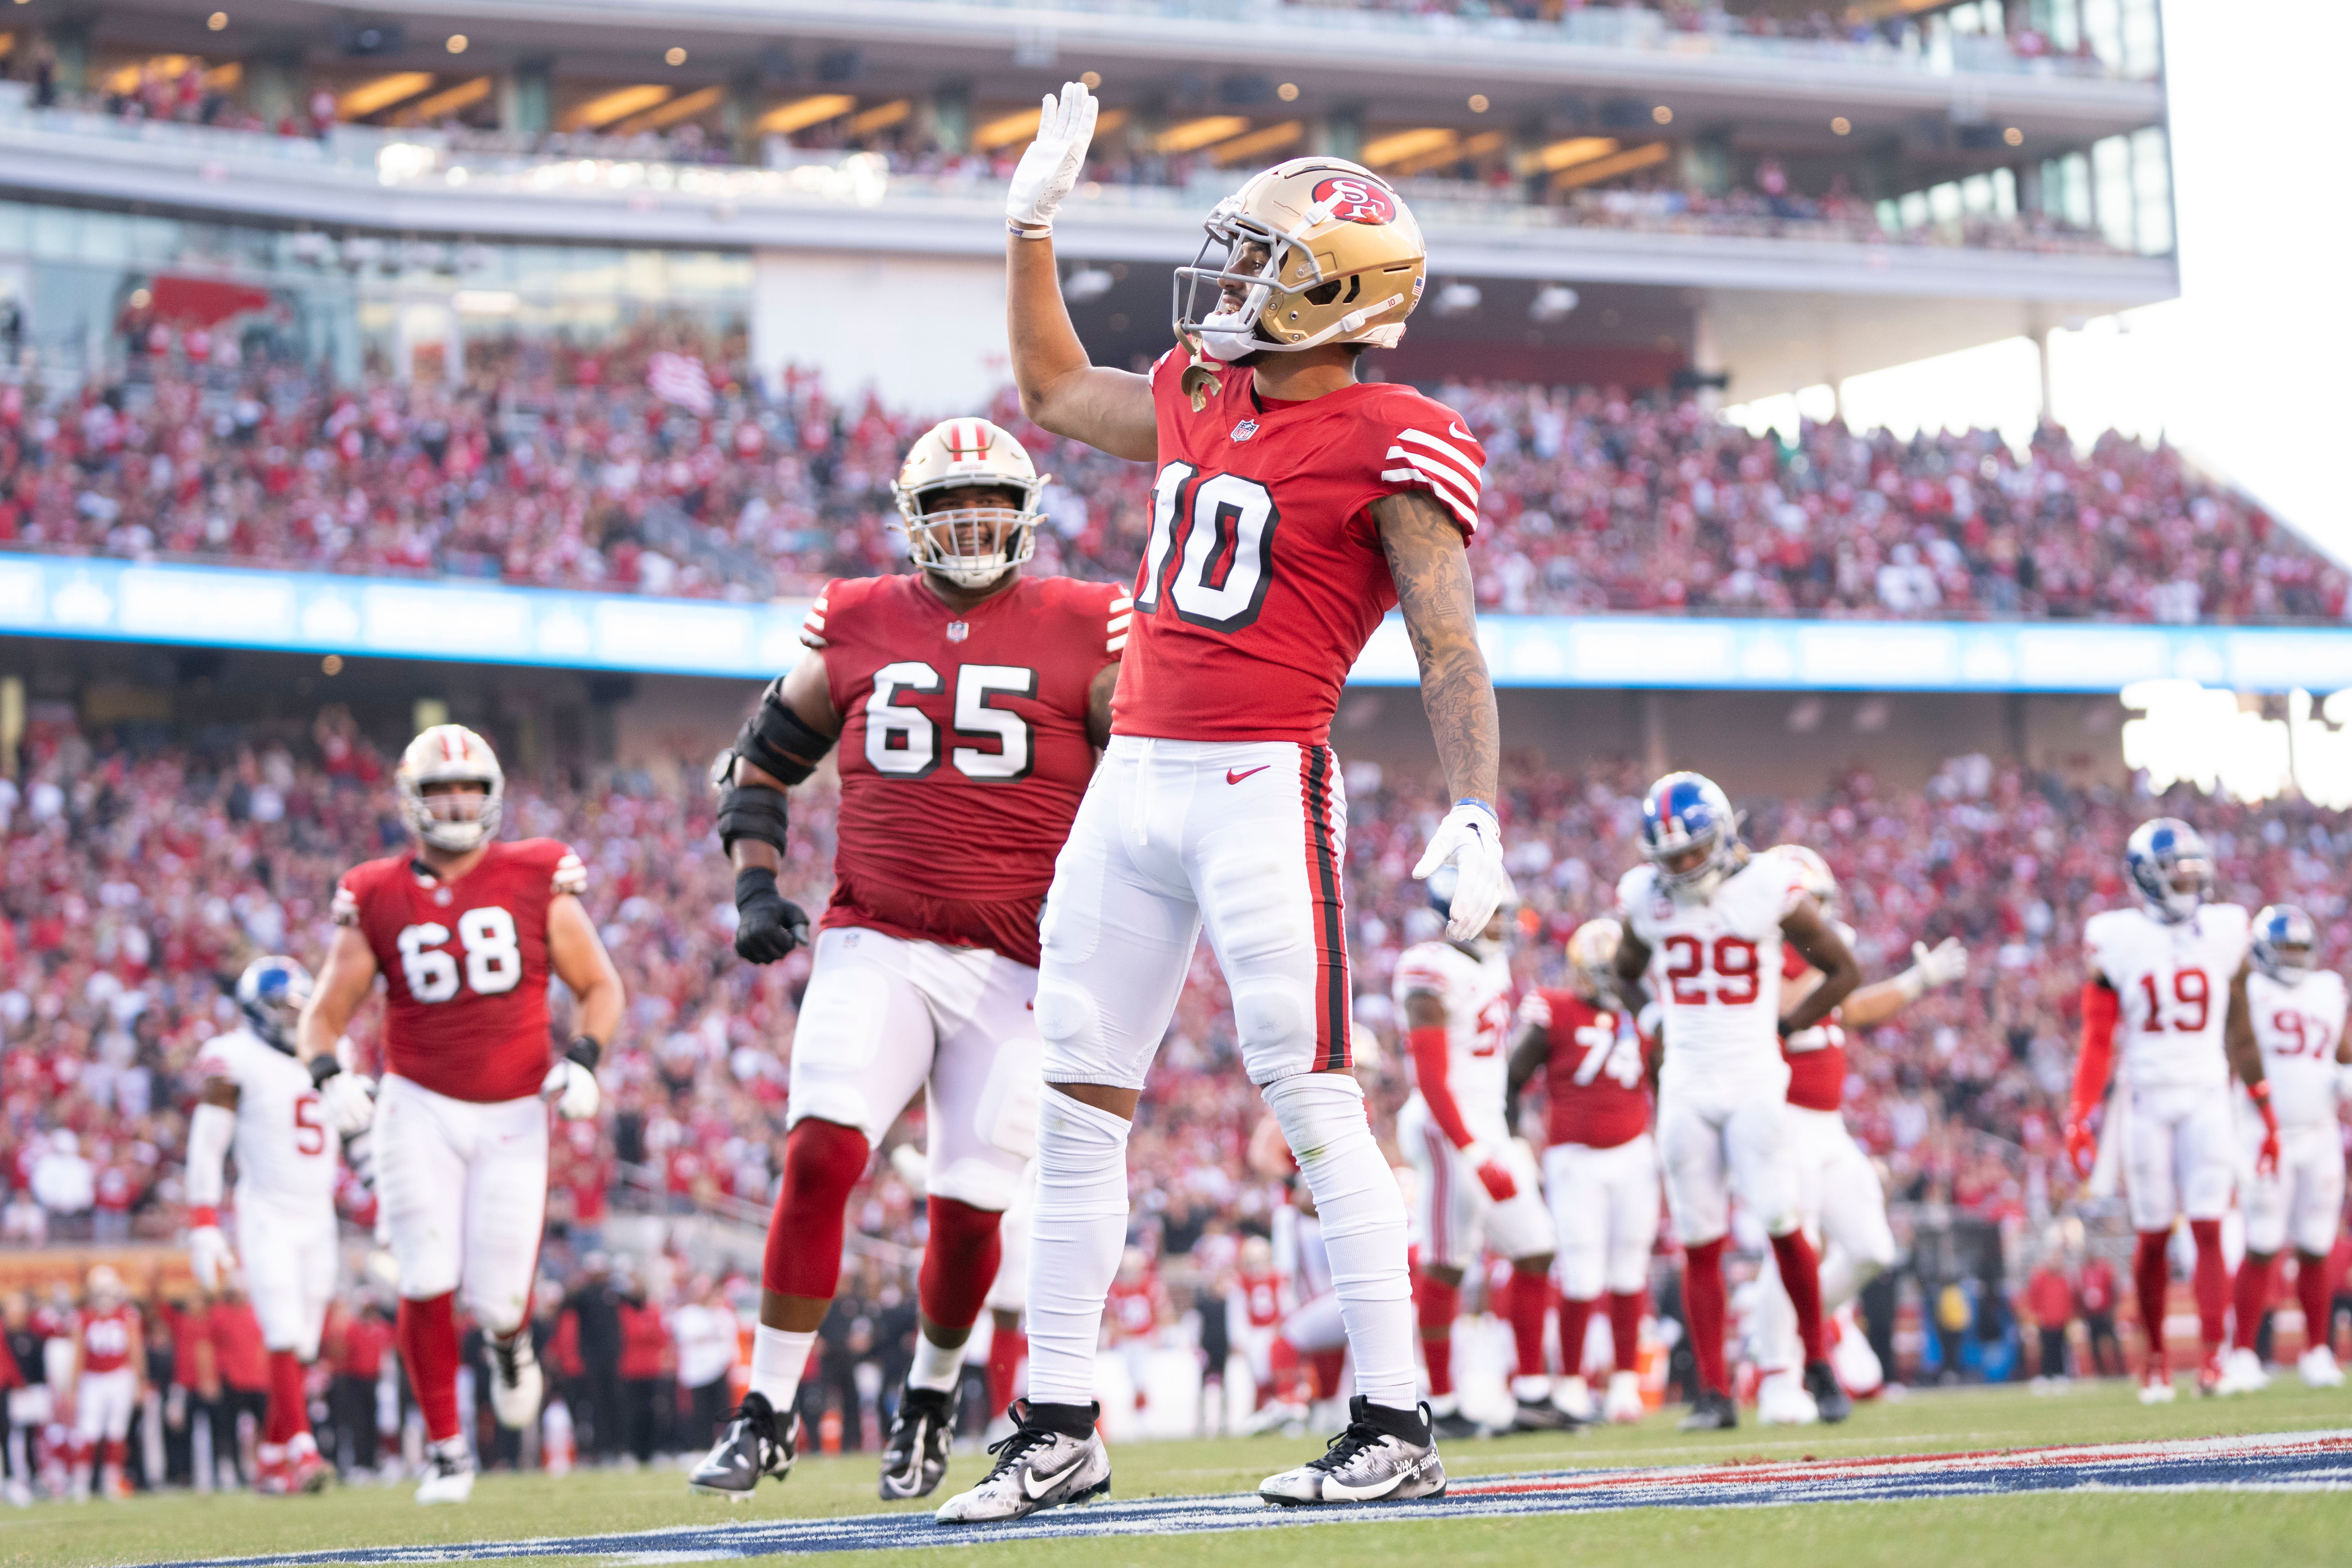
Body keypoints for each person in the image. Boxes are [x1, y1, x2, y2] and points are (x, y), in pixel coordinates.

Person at [939, 84, 1504, 1524]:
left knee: (1318, 1103)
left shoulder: (1399, 435)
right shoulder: (1204, 388)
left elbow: (1449, 642)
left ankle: (1396, 1418)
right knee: (1073, 1104)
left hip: (1264, 781)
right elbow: (1058, 394)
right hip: (1132, 784)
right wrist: (1029, 225)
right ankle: (1057, 1420)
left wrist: (1477, 808)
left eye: (1268, 265)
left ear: (1340, 299)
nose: (1236, 284)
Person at [689, 416, 1126, 1505]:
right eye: (948, 508)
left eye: (989, 505)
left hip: (1019, 966)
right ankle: (766, 1408)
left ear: (1027, 516)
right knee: (820, 1155)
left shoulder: (1088, 624)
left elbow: (1149, 777)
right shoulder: (854, 617)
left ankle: (930, 1397)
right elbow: (762, 763)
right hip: (876, 937)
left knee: (970, 1208)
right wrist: (753, 885)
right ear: (911, 520)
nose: (971, 526)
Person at [300, 723, 624, 1502]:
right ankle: (447, 1449)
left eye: (469, 789)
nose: (455, 802)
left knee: (499, 1297)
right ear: (413, 799)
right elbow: (323, 1014)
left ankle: (510, 1342)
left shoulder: (536, 872)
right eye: (441, 788)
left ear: (493, 796)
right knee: (425, 1272)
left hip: (514, 1110)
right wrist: (327, 1074)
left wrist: (583, 1060)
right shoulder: (376, 889)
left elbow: (601, 987)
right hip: (416, 1104)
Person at [1610, 772, 1859, 1431]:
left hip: (1753, 1080)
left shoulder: (1767, 886)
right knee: (1699, 1240)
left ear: (1721, 838)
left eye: (1693, 851)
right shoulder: (1646, 897)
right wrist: (1655, 1021)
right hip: (1688, 1085)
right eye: (1671, 856)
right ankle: (1715, 1393)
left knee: (1783, 1224)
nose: (1684, 866)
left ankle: (1819, 1365)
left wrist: (1787, 1024)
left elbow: (1843, 969)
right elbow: (1624, 972)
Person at [1750, 844, 1966, 1422]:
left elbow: (1856, 1008)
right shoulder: (1761, 961)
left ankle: (1804, 1330)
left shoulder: (1815, 967)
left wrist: (1917, 982)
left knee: (1873, 1248)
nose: (1822, 922)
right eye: (1813, 909)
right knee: (1793, 1247)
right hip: (1783, 1120)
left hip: (1828, 1126)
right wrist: (1830, 964)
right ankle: (1776, 1374)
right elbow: (1794, 1004)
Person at [2062, 818, 2268, 1403]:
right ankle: (2152, 1361)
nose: (2190, 878)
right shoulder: (2116, 936)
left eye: (2193, 867)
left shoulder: (2226, 929)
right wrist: (2081, 1110)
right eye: (2178, 869)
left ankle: (2211, 1359)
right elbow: (2098, 1038)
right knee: (2153, 1235)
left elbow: (2242, 1029)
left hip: (2207, 1092)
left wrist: (2263, 1105)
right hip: (2146, 1097)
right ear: (2147, 878)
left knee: (2208, 1226)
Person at [1396, 871, 1567, 1437]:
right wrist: (1471, 1151)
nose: (1503, 923)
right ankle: (1441, 1403)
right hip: (1448, 1131)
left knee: (1536, 1249)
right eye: (1493, 913)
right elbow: (1433, 1080)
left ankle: (1533, 1394)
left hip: (1485, 1124)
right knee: (1446, 1263)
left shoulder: (1489, 963)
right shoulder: (1428, 968)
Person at [185, 956, 341, 1493]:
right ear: (256, 1009)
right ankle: (302, 1449)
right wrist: (204, 1223)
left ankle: (272, 1455)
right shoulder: (234, 1057)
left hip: (320, 1214)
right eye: (283, 1007)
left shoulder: (331, 1050)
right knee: (282, 1332)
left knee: (304, 1347)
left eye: (299, 1006)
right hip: (267, 1210)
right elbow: (207, 1147)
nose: (293, 1016)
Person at [1508, 918, 1656, 1426]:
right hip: (1573, 1156)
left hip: (1635, 1150)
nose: (1611, 982)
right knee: (1581, 1270)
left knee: (1629, 1269)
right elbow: (1513, 1074)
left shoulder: (1647, 1015)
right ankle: (1571, 1384)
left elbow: (1664, 1076)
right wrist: (1512, 1142)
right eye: (1602, 972)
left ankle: (1624, 1383)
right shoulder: (1555, 1007)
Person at [2221, 904, 2349, 1392]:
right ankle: (2245, 1355)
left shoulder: (2328, 990)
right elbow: (2235, 1047)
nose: (2294, 958)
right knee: (2263, 1242)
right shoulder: (2247, 991)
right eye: (2285, 949)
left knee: (2317, 1246)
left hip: (2319, 1132)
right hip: (2262, 1131)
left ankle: (2318, 1352)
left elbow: (2342, 1052)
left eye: (2300, 949)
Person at [65, 1267, 145, 1502]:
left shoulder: (127, 1315)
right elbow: (78, 1354)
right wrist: (73, 1387)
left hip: (121, 1376)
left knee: (117, 1431)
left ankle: (111, 1481)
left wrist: (140, 1381)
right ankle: (81, 1483)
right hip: (93, 1378)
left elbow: (135, 1350)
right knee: (88, 1431)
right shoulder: (83, 1317)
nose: (104, 1297)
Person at [673, 1275, 740, 1453]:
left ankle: (725, 1447)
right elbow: (690, 1337)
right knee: (700, 1414)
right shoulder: (687, 1314)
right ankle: (700, 1447)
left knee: (724, 1412)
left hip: (720, 1369)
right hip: (697, 1373)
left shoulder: (722, 1314)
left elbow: (730, 1338)